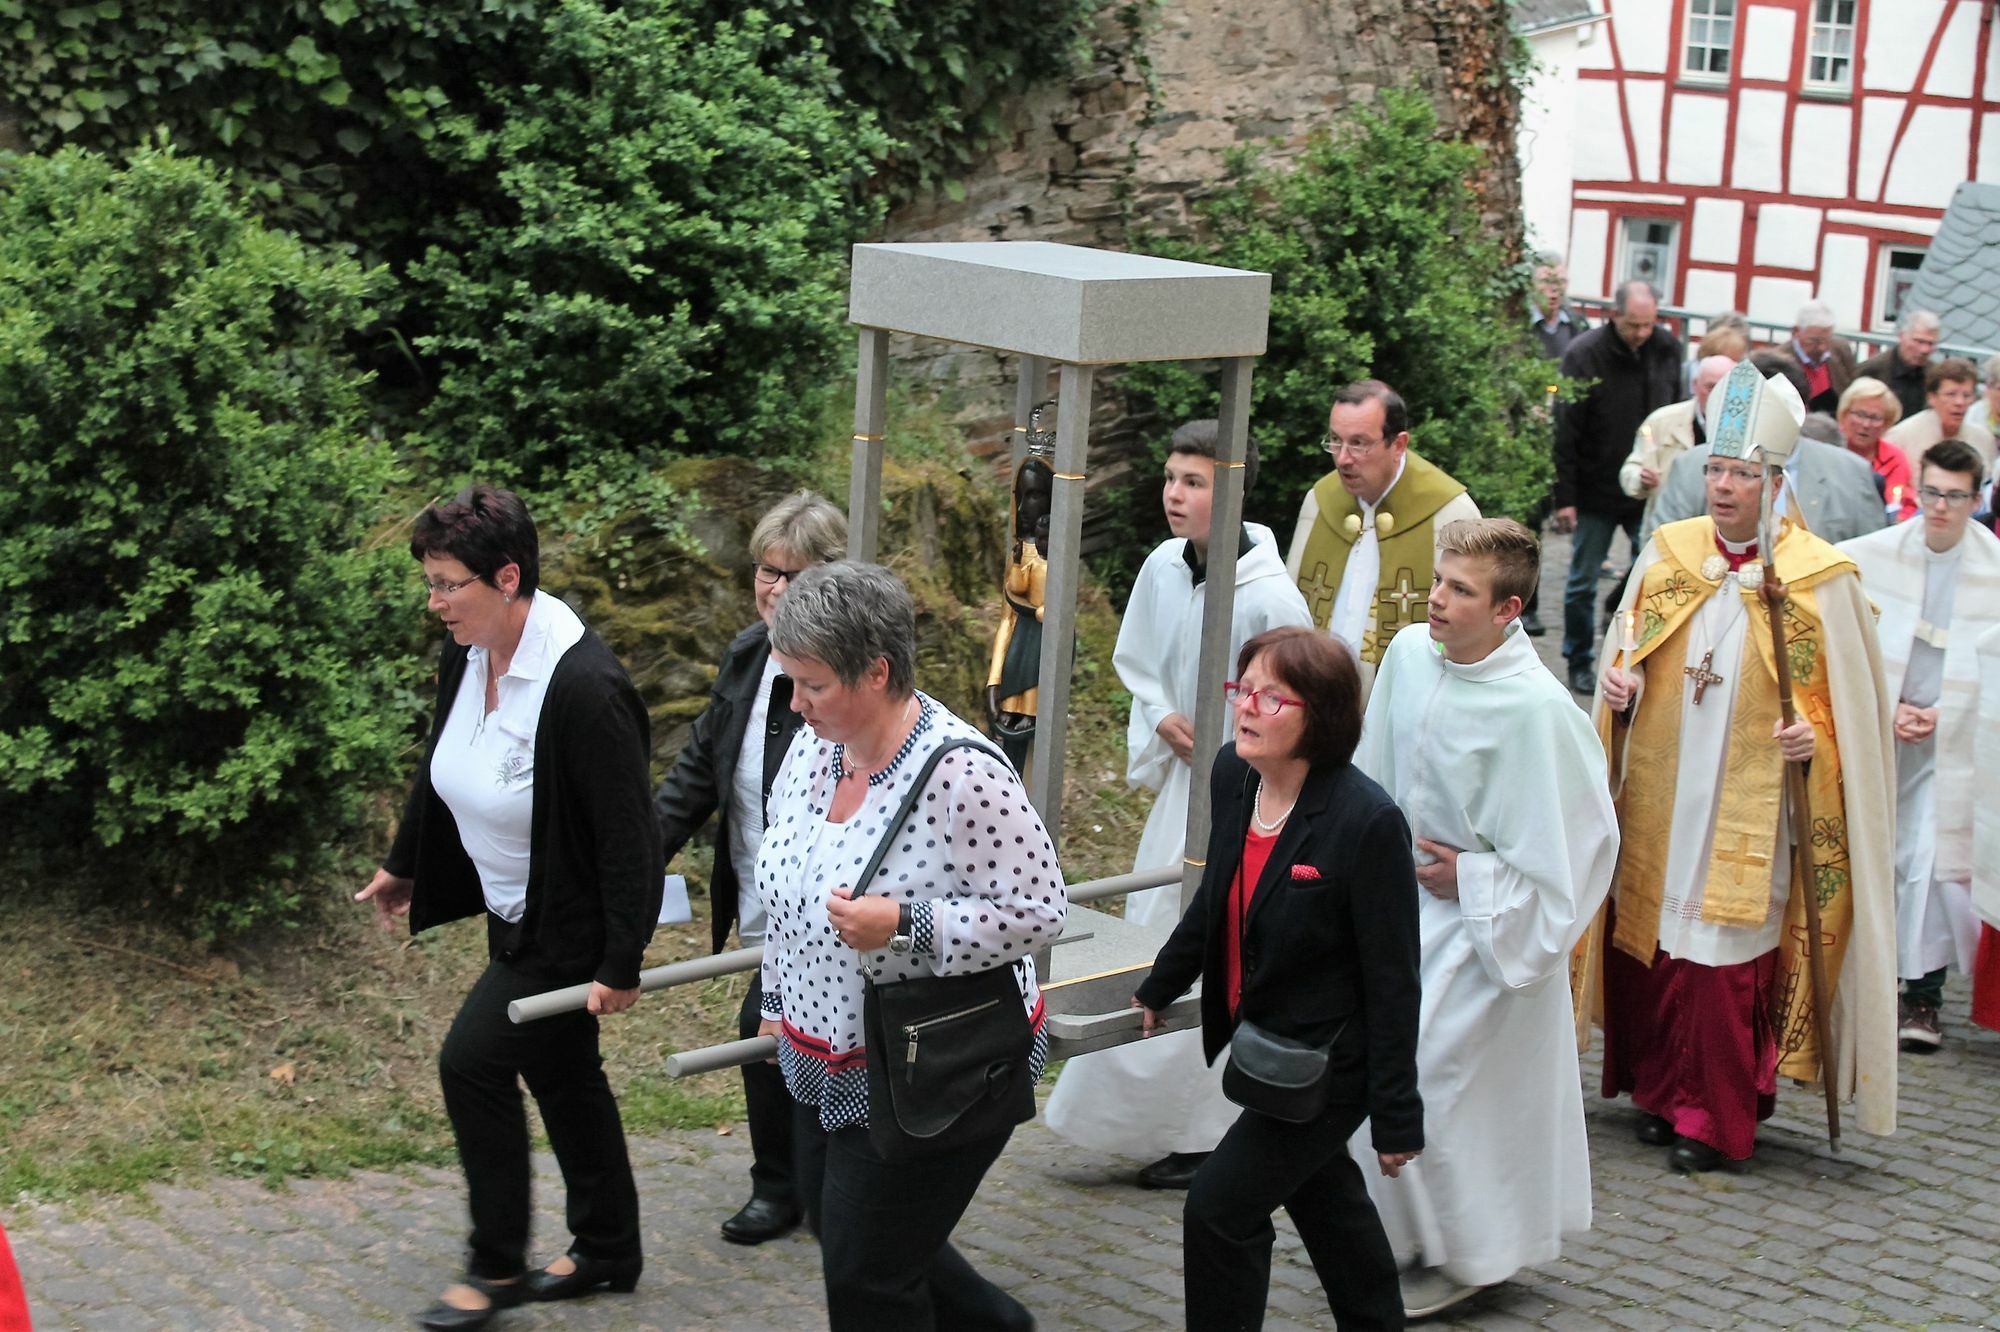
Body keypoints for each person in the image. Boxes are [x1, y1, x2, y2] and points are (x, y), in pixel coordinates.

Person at [356, 486, 661, 1329]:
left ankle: (494, 1266)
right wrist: (405, 865)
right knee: (562, 1071)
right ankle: (608, 1244)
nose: (435, 602)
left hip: (568, 920)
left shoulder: (585, 687)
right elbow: (441, 762)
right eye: (430, 582)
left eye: (448, 584)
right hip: (513, 907)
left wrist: (621, 962)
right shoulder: (469, 649)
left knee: (472, 1062)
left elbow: (630, 838)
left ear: (508, 578)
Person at [1593, 364, 1897, 1173]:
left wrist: (1813, 742)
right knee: (1658, 939)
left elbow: (1852, 716)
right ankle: (1661, 1091)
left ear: (1776, 484)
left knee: (1724, 955)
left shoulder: (1819, 581)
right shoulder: (1669, 556)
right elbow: (1627, 654)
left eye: (1743, 474)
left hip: (1752, 805)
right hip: (1668, 789)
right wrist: (1621, 688)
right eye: (1717, 470)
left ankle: (1713, 1117)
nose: (1724, 487)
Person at [755, 562, 1065, 1331]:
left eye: (813, 684)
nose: (795, 703)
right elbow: (785, 890)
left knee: (867, 1275)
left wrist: (906, 924)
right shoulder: (814, 751)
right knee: (852, 1236)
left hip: (932, 1067)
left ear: (877, 672)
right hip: (823, 1056)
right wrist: (775, 1000)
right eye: (790, 681)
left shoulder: (962, 774)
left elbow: (1038, 911)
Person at [1353, 519, 1618, 1319]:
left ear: (1509, 611)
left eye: (1460, 590)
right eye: (1439, 580)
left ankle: (1473, 1253)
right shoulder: (1409, 656)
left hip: (1489, 931)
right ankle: (1405, 1238)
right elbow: (1374, 773)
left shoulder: (1539, 711)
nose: (1436, 599)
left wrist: (1470, 876)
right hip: (1405, 912)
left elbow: (1583, 846)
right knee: (1377, 1063)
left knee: (1432, 1075)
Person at [1045, 420, 1312, 1191]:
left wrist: (1247, 751)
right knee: (1157, 933)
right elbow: (1137, 660)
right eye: (1171, 478)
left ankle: (1206, 1132)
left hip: (1247, 797)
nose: (1174, 493)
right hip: (1182, 792)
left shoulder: (1271, 597)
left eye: (1194, 481)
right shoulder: (1164, 565)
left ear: (1233, 490)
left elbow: (1297, 701)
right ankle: (1142, 1117)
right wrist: (1162, 715)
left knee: (1217, 948)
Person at [1133, 626, 1421, 1331]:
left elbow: (1394, 980)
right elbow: (1218, 894)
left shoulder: (1367, 822)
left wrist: (1396, 1115)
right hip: (1268, 1038)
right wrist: (1163, 981)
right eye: (1244, 689)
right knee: (1326, 1199)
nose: (1246, 708)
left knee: (1219, 1209)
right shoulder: (1234, 775)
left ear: (1320, 717)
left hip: (1331, 1062)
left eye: (1271, 697)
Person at [651, 491, 847, 1245]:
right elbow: (698, 770)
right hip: (761, 891)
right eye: (767, 571)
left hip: (827, 901)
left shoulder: (842, 671)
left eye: (795, 575)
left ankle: (792, 1187)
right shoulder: (746, 655)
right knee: (778, 1032)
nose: (776, 589)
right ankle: (801, 1185)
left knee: (773, 1029)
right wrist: (638, 861)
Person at [1839, 441, 2000, 1052]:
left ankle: (1924, 997)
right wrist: (1891, 707)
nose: (1940, 507)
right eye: (1931, 492)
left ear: (1977, 499)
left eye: (1955, 496)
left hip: (1954, 743)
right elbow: (1845, 639)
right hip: (1883, 730)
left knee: (1929, 862)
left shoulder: (1994, 568)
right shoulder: (1873, 555)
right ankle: (1867, 980)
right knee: (1881, 853)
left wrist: (1943, 714)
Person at [1286, 380, 1480, 696]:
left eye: (1359, 443)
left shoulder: (1451, 513)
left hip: (1408, 702)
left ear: (1399, 444)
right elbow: (1290, 610)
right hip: (1317, 697)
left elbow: (1471, 628)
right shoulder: (1319, 501)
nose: (1342, 458)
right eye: (1335, 441)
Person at [1554, 279, 1685, 695]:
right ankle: (1578, 658)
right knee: (1582, 581)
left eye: (1648, 324)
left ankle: (1639, 656)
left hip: (1648, 490)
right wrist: (1565, 497)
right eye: (1633, 325)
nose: (1641, 333)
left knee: (1652, 574)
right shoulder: (1584, 354)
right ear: (1615, 315)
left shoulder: (1667, 348)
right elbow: (1565, 430)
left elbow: (1677, 415)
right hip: (1595, 485)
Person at [1642, 357, 1887, 549]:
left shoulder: (1851, 475)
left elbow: (1870, 558)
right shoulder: (1689, 467)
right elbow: (1661, 550)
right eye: (1716, 470)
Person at [1620, 353, 1736, 534]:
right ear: (1695, 385)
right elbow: (1632, 468)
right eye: (1711, 387)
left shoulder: (1745, 430)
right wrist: (1640, 479)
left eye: (1727, 389)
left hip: (1720, 529)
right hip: (1667, 523)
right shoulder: (1663, 421)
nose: (1718, 396)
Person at [1885, 357, 1997, 476]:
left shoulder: (1984, 440)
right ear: (1932, 397)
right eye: (1951, 394)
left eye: (1967, 395)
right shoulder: (1900, 437)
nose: (1959, 402)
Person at [1856, 309, 1940, 420]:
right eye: (1919, 341)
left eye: (1930, 344)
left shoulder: (1936, 375)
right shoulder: (1873, 370)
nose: (1925, 350)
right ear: (1902, 337)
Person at [1778, 300, 1857, 414]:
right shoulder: (1778, 361)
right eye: (1814, 341)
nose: (1822, 348)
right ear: (1796, 331)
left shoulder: (1841, 349)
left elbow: (1852, 390)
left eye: (1826, 340)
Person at [1529, 252, 1589, 360]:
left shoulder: (1578, 323)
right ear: (1531, 284)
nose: (1554, 288)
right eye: (1546, 281)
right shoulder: (1519, 323)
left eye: (1561, 281)